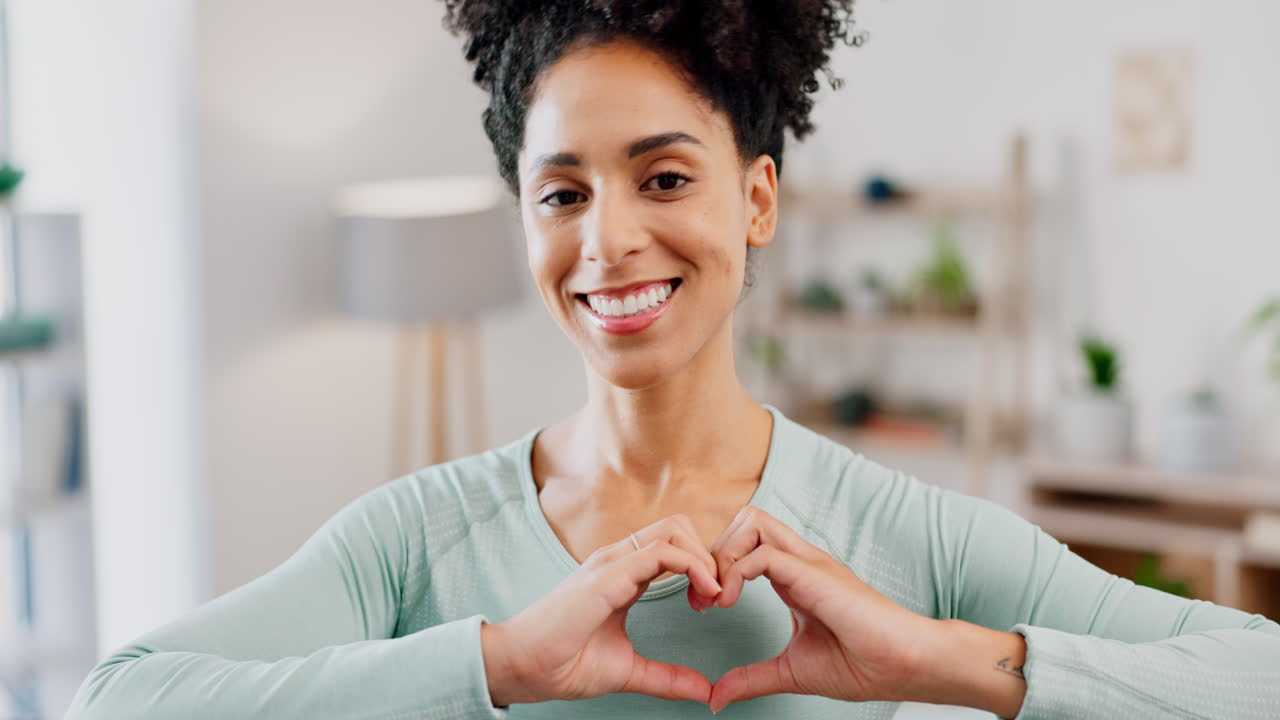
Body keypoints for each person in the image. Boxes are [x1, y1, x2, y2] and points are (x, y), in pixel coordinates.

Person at [66, 1, 1280, 718]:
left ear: (755, 200)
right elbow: (124, 695)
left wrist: (934, 658)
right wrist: (497, 664)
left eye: (662, 178)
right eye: (560, 193)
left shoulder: (905, 535)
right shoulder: (411, 544)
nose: (607, 242)